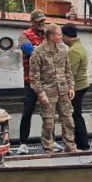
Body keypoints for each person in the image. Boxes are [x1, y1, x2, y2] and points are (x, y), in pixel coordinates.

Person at [28, 23, 77, 153]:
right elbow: (34, 77)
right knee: (49, 123)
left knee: (68, 121)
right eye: (59, 34)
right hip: (48, 92)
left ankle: (71, 147)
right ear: (50, 36)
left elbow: (68, 71)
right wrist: (41, 94)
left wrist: (71, 87)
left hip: (63, 91)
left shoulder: (63, 50)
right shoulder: (38, 53)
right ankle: (48, 148)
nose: (62, 37)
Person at [17, 9, 47, 145]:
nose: (42, 23)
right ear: (32, 22)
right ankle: (23, 142)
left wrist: (38, 48)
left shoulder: (48, 33)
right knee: (28, 110)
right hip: (31, 80)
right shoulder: (24, 35)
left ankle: (49, 140)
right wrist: (44, 49)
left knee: (48, 112)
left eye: (43, 21)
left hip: (47, 79)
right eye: (39, 21)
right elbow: (29, 51)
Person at [61, 23, 91, 150]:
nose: (61, 39)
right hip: (82, 84)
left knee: (75, 115)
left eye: (62, 36)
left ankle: (82, 143)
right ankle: (81, 142)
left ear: (67, 37)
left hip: (77, 86)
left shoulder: (73, 51)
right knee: (77, 114)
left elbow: (70, 72)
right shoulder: (80, 46)